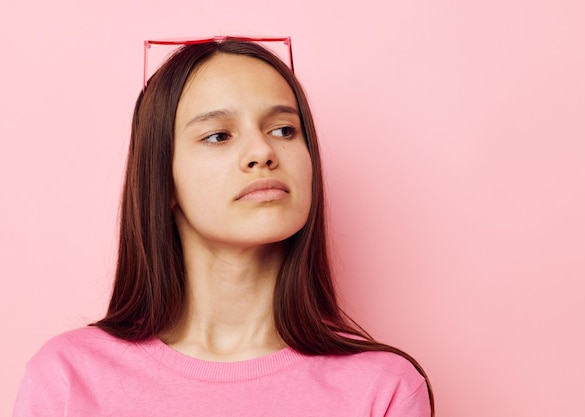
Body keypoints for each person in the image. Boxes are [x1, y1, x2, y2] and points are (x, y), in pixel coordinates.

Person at [13, 38, 433, 416]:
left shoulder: (384, 388)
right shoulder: (68, 378)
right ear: (163, 178)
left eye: (284, 130)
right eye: (218, 135)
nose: (262, 151)